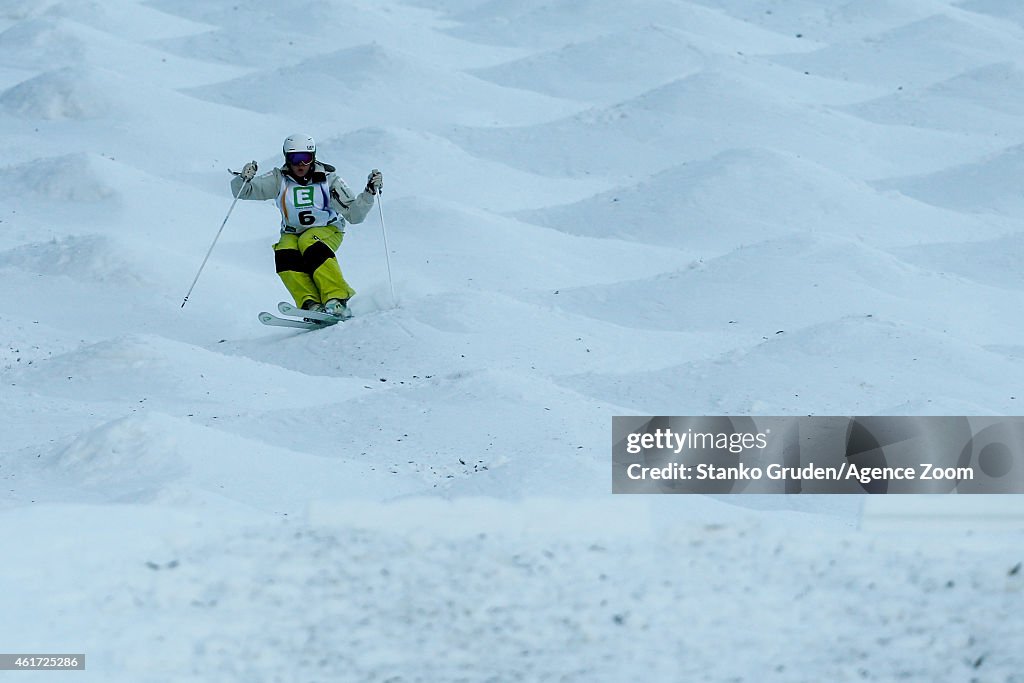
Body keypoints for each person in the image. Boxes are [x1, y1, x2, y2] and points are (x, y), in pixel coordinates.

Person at [231, 134, 383, 319]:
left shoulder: (328, 180)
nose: (301, 164)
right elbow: (243, 191)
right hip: (292, 233)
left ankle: (336, 298)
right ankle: (310, 303)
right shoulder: (279, 179)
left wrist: (369, 192)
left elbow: (355, 215)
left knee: (309, 242)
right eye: (295, 158)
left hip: (328, 229)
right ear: (287, 158)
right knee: (284, 251)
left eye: (306, 157)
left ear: (314, 157)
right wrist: (243, 179)